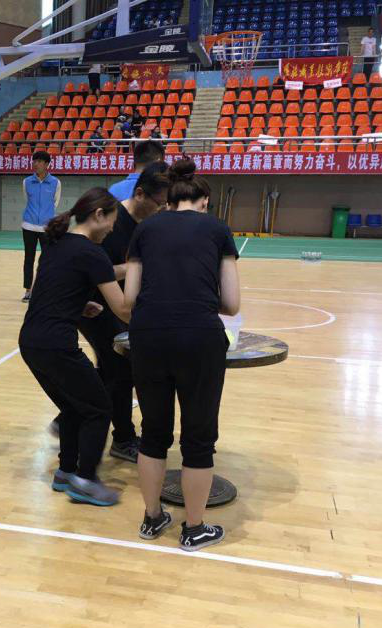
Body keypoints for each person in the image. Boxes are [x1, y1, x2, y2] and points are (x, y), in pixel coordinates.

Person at [123, 158, 241, 548]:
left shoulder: (145, 229)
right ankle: (193, 528)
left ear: (170, 198)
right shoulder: (218, 229)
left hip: (148, 337)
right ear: (203, 200)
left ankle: (152, 518)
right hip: (199, 338)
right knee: (198, 437)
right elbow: (232, 303)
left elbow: (130, 297)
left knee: (153, 433)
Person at [19, 188, 130, 506]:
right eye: (111, 223)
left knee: (73, 407)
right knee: (99, 408)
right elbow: (123, 309)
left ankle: (66, 472)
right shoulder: (92, 253)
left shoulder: (57, 244)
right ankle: (85, 480)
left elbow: (52, 291)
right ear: (98, 215)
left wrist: (78, 306)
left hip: (31, 342)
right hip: (56, 345)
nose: (111, 230)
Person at [76, 163, 171, 463]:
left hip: (119, 303)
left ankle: (73, 415)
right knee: (120, 368)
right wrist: (134, 268)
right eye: (159, 204)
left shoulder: (148, 223)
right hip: (93, 306)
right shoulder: (112, 221)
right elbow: (99, 270)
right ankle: (123, 438)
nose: (161, 210)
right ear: (140, 194)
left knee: (111, 368)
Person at [21, 151, 61, 302]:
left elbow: (55, 203)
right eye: (34, 161)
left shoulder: (56, 183)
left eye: (39, 161)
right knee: (28, 259)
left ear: (46, 164)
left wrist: (46, 217)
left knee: (48, 260)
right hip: (28, 226)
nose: (35, 164)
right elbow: (27, 200)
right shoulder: (26, 182)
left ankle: (47, 290)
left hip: (46, 228)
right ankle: (28, 290)